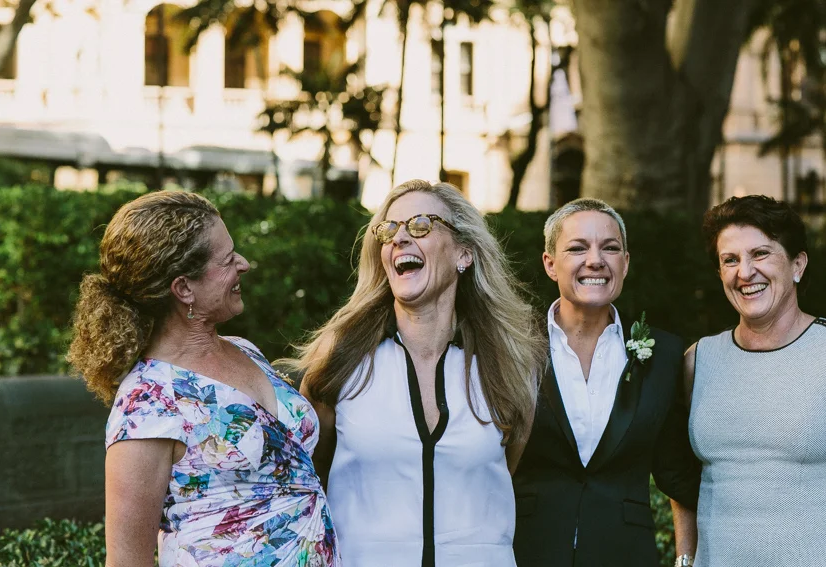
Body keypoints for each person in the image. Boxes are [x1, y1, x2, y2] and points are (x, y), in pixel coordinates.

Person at [67, 190, 339, 567]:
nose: (244, 264)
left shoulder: (244, 350)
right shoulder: (147, 404)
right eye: (228, 259)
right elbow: (126, 561)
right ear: (184, 288)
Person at [291, 179, 547, 567]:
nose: (399, 238)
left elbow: (507, 469)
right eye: (388, 230)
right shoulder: (341, 357)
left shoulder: (506, 361)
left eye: (421, 225)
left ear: (464, 253)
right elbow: (309, 473)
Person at [513, 198, 701, 567]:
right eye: (577, 248)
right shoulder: (512, 347)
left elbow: (675, 472)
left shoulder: (663, 354)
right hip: (525, 552)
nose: (595, 260)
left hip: (625, 555)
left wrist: (685, 558)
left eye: (610, 248)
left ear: (625, 263)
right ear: (550, 264)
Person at [685, 195, 826, 566]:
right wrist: (684, 558)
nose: (744, 272)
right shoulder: (698, 360)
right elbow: (676, 475)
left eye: (760, 254)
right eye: (730, 260)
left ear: (797, 264)